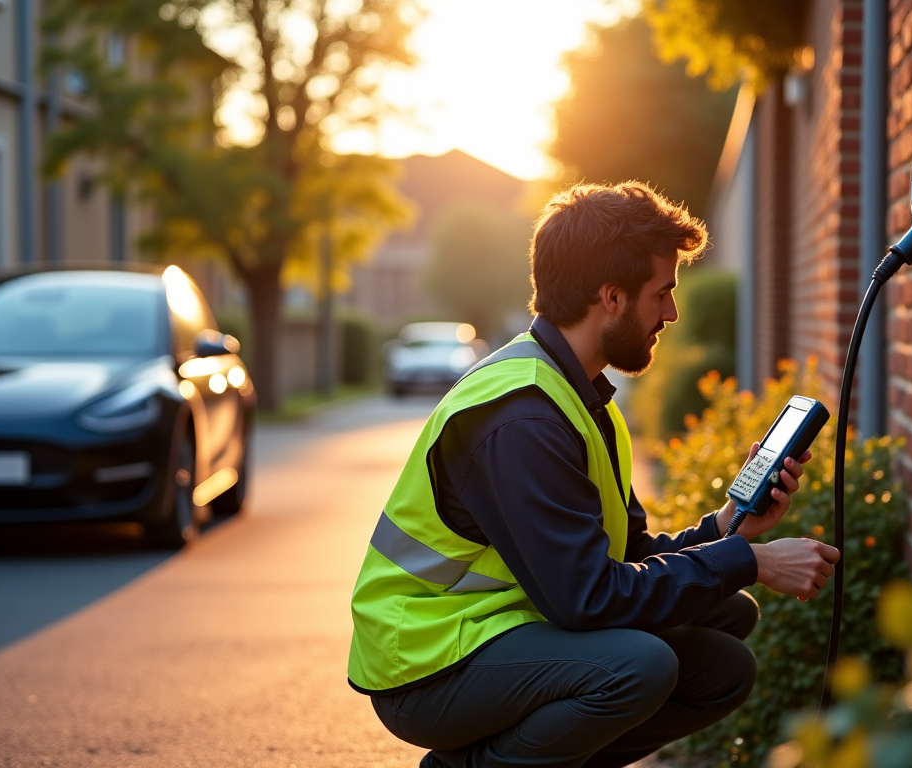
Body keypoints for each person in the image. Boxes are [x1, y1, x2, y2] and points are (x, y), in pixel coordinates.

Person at [347, 181, 841, 768]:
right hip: (427, 665)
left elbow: (624, 559)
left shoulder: (578, 397)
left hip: (505, 627)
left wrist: (729, 525)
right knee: (639, 666)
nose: (672, 313)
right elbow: (589, 599)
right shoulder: (522, 419)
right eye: (662, 293)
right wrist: (751, 563)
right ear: (610, 296)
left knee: (722, 650)